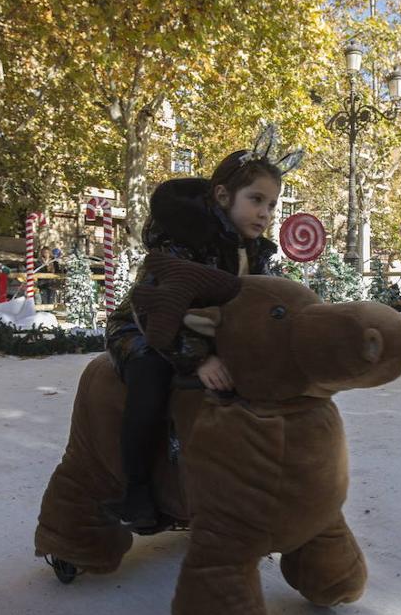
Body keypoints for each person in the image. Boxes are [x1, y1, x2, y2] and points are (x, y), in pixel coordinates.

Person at [103, 147, 283, 528]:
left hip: (208, 332)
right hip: (143, 328)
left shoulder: (256, 253)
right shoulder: (181, 241)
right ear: (222, 196)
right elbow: (157, 307)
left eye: (271, 204)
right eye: (256, 200)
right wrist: (199, 358)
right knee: (150, 374)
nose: (265, 213)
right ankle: (136, 489)